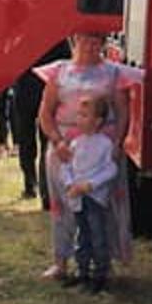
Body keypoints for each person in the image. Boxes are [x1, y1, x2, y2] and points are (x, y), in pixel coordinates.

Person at [35, 31, 142, 280]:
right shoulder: (59, 72)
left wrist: (116, 143)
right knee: (63, 205)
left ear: (104, 44)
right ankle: (61, 262)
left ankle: (104, 262)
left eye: (96, 41)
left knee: (103, 206)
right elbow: (45, 114)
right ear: (75, 41)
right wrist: (57, 141)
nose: (90, 46)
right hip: (65, 150)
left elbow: (122, 111)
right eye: (85, 40)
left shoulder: (113, 73)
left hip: (102, 149)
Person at [59, 95, 120, 293]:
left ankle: (100, 273)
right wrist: (70, 184)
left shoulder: (104, 144)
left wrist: (91, 185)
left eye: (84, 115)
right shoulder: (76, 143)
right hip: (78, 198)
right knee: (82, 235)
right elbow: (67, 166)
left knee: (98, 235)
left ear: (97, 121)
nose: (79, 118)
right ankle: (82, 271)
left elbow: (110, 170)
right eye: (79, 114)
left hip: (94, 198)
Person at [13, 41, 72, 205]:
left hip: (29, 90)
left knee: (31, 140)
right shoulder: (57, 36)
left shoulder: (23, 35)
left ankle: (32, 183)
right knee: (44, 141)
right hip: (41, 91)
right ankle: (41, 188)